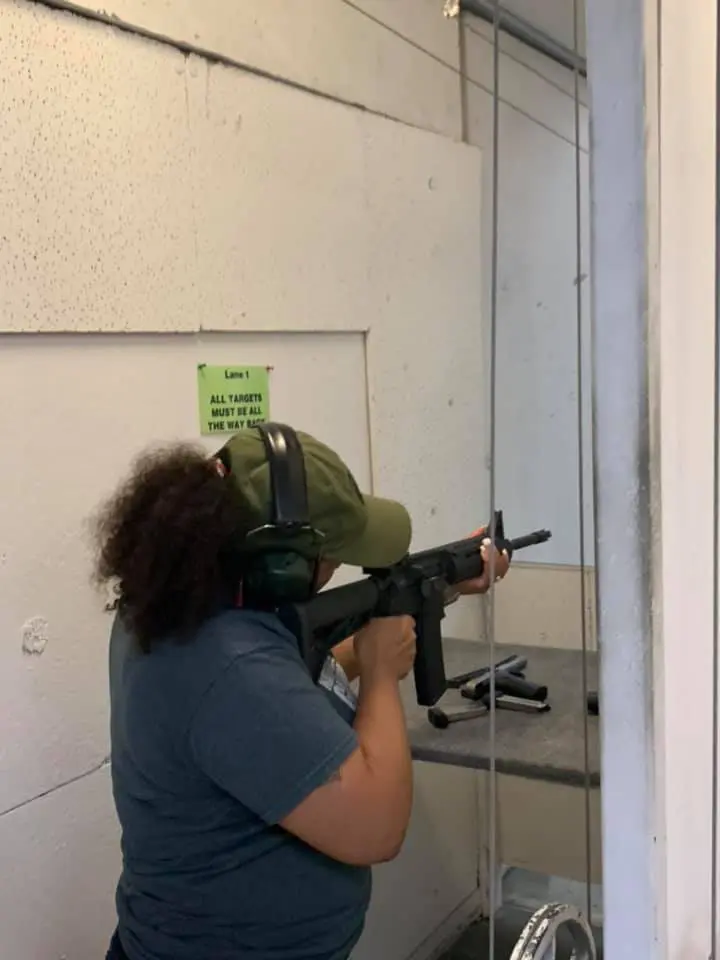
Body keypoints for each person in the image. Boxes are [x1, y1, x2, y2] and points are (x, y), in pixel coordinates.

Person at [94, 425, 510, 960]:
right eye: (333, 554)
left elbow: (276, 700)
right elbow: (377, 827)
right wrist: (382, 676)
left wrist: (443, 587)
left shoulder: (177, 602)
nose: (339, 568)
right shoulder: (229, 664)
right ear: (280, 564)